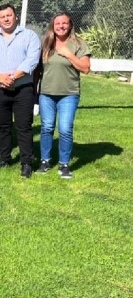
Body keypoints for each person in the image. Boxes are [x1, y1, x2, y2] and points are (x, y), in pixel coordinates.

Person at [0, 4, 41, 178]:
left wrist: (13, 77)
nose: (6, 19)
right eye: (2, 17)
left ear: (15, 16)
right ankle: (4, 158)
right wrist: (0, 77)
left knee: (24, 127)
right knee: (3, 126)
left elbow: (32, 61)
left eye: (9, 15)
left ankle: (26, 163)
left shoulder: (30, 36)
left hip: (23, 89)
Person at [37, 13, 91, 179]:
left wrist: (69, 54)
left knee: (65, 129)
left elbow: (86, 68)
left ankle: (64, 164)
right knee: (46, 128)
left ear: (70, 25)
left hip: (69, 94)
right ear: (53, 25)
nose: (61, 26)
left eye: (64, 23)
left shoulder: (79, 44)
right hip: (46, 93)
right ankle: (45, 161)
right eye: (57, 23)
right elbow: (38, 69)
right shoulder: (46, 43)